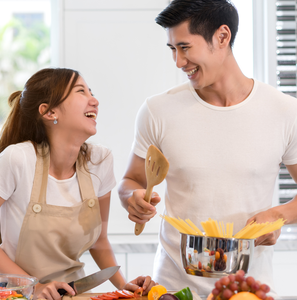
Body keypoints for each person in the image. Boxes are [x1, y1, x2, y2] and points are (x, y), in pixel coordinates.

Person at [118, 0, 297, 295]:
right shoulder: (157, 111)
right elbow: (131, 181)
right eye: (172, 49)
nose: (178, 61)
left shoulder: (284, 111)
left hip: (248, 290)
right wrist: (132, 198)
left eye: (185, 47)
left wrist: (279, 215)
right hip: (172, 290)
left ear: (222, 37)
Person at [0, 68, 156, 300]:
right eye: (81, 91)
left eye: (91, 92)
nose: (95, 101)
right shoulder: (18, 160)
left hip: (75, 293)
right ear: (49, 111)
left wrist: (124, 286)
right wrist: (33, 287)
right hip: (20, 294)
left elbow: (99, 241)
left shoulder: (99, 161)